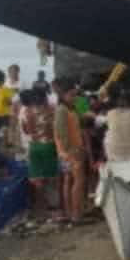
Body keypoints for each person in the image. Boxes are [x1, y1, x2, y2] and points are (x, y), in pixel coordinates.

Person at [54, 84, 86, 223]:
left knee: (68, 181)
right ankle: (76, 213)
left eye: (75, 95)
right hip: (70, 152)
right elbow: (61, 133)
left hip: (65, 152)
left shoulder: (67, 109)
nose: (74, 98)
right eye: (72, 95)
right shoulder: (62, 110)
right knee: (78, 181)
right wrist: (72, 150)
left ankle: (70, 212)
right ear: (63, 95)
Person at [22, 88, 57, 210]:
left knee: (37, 178)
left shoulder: (27, 111)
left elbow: (25, 129)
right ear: (45, 98)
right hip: (48, 145)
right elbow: (55, 128)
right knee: (52, 177)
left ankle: (42, 206)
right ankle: (55, 205)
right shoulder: (51, 109)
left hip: (34, 146)